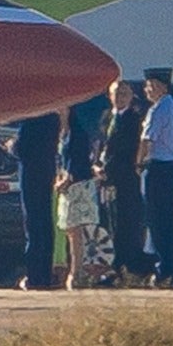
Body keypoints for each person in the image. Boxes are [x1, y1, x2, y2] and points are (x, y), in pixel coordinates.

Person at [138, 67, 173, 287]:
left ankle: (164, 267)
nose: (147, 90)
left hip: (157, 167)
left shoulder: (158, 110)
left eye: (149, 85)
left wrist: (138, 163)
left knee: (157, 220)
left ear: (159, 85)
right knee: (170, 220)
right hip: (172, 167)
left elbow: (147, 140)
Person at [100, 80, 145, 281]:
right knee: (111, 221)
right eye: (116, 94)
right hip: (107, 178)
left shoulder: (133, 119)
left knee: (127, 222)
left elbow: (127, 149)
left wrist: (108, 170)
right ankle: (113, 264)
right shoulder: (107, 117)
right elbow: (102, 145)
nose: (120, 98)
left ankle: (127, 264)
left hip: (125, 177)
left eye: (124, 94)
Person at [14, 111, 61, 290]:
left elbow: (22, 148)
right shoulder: (53, 118)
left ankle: (34, 276)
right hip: (46, 169)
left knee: (33, 223)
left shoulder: (31, 119)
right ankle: (45, 274)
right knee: (45, 222)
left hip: (31, 172)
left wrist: (12, 146)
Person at [55, 112, 99, 289]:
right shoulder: (62, 134)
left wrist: (68, 179)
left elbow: (78, 160)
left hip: (78, 185)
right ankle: (75, 269)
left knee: (76, 230)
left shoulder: (77, 133)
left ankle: (77, 272)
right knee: (69, 230)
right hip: (66, 187)